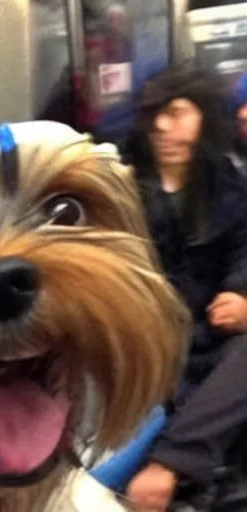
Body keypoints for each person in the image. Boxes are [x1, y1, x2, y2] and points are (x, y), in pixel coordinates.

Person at [122, 64, 247, 511]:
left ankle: (172, 464)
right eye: (155, 114)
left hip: (206, 332)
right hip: (143, 333)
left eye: (177, 113)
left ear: (204, 119)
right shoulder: (124, 185)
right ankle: (174, 464)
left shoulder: (228, 186)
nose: (162, 126)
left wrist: (240, 292)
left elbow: (243, 249)